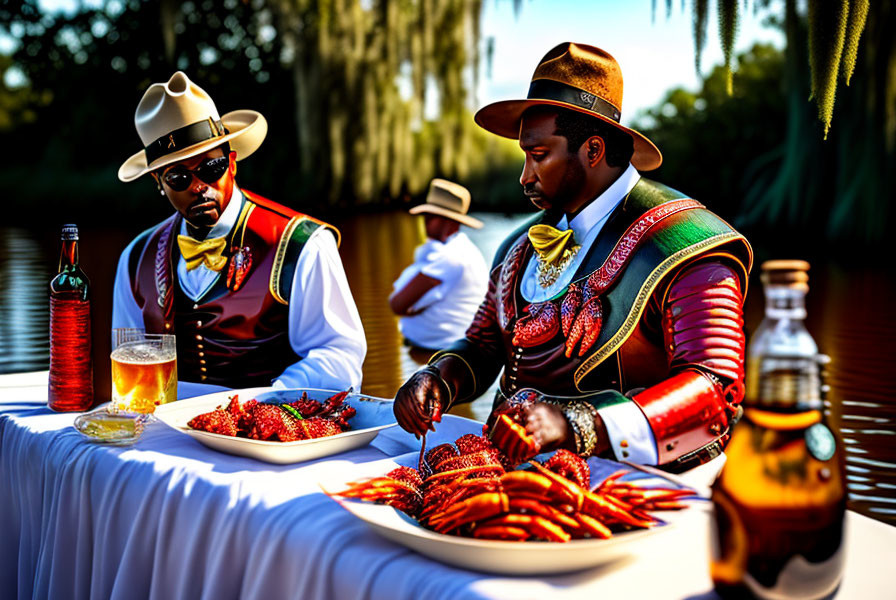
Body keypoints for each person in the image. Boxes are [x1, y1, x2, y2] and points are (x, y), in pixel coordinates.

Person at [394, 42, 752, 471]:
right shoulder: (517, 248)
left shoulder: (684, 243)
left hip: (639, 486)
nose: (524, 176)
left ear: (593, 151)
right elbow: (484, 346)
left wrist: (581, 423)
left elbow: (716, 396)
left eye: (539, 155)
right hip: (504, 482)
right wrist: (437, 378)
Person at [113, 72, 365, 390]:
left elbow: (340, 358)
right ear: (159, 184)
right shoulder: (136, 259)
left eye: (210, 167)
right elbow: (131, 372)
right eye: (178, 178)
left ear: (231, 163)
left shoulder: (302, 244)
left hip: (272, 433)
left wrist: (269, 399)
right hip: (168, 435)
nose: (198, 186)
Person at [389, 179, 489, 354]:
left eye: (432, 216)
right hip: (448, 349)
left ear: (449, 221)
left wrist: (415, 310)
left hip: (444, 353)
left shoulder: (450, 258)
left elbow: (397, 304)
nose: (425, 221)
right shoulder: (463, 249)